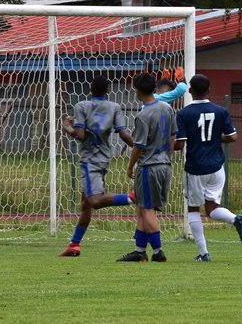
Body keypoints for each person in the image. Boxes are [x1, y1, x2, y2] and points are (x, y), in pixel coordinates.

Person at [174, 75, 242, 261]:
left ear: (190, 90)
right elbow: (233, 137)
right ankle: (234, 219)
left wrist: (167, 144)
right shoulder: (220, 111)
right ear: (209, 90)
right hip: (216, 168)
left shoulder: (184, 114)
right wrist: (216, 139)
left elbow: (180, 144)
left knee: (193, 209)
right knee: (212, 208)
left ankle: (203, 253)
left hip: (195, 168)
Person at [58, 75, 135, 257]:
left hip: (89, 160)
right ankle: (74, 245)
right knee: (86, 204)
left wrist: (66, 127)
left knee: (94, 201)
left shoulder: (81, 106)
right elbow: (123, 134)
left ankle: (132, 197)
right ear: (108, 90)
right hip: (104, 158)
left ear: (90, 89)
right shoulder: (114, 107)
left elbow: (80, 135)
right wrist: (141, 149)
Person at [118, 73, 177, 262]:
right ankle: (140, 251)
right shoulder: (167, 108)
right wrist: (168, 156)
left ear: (137, 91)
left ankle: (158, 252)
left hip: (148, 167)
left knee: (146, 209)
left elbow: (138, 146)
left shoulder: (143, 115)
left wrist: (129, 167)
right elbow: (173, 135)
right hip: (165, 165)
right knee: (142, 207)